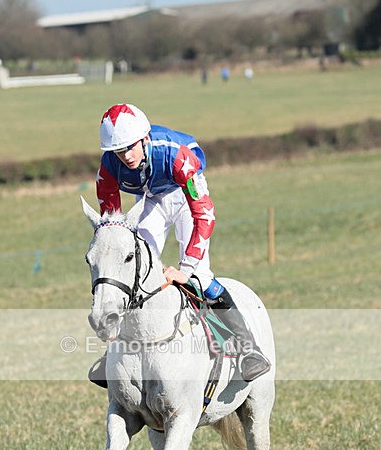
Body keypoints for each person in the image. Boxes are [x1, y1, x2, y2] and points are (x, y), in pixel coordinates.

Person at [89, 102, 270, 386]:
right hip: (150, 202)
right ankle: (113, 350)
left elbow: (204, 213)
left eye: (130, 148)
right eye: (118, 151)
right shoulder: (109, 167)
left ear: (144, 139)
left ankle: (247, 349)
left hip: (186, 199)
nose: (125, 156)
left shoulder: (176, 156)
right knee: (134, 271)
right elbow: (113, 227)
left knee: (201, 276)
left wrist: (186, 268)